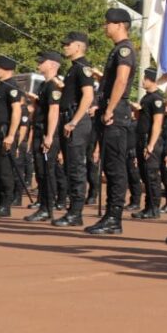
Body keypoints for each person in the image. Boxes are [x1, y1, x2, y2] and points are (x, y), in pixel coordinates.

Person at [85, 8, 137, 235]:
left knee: (115, 167)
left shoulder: (124, 49)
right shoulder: (117, 50)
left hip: (117, 114)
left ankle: (114, 218)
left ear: (120, 25)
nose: (105, 26)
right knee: (109, 165)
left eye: (108, 23)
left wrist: (111, 108)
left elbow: (122, 79)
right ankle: (110, 215)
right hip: (108, 110)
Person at [53, 31, 95, 228]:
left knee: (76, 168)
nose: (65, 47)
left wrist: (74, 122)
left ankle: (76, 213)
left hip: (75, 121)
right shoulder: (74, 69)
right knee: (70, 167)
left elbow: (88, 96)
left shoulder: (82, 68)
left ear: (78, 46)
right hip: (69, 119)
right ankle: (72, 209)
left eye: (68, 44)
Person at [27, 51, 64, 222]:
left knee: (47, 171)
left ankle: (47, 208)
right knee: (40, 172)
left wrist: (49, 135)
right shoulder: (44, 85)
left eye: (42, 62)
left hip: (47, 132)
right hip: (40, 130)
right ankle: (43, 206)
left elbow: (54, 111)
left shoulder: (54, 85)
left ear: (52, 64)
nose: (39, 64)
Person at [0, 56, 23, 218]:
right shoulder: (0, 87)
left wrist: (11, 135)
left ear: (6, 68)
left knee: (5, 170)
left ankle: (6, 205)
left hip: (5, 132)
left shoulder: (11, 86)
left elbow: (16, 111)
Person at [131, 67, 166, 220]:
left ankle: (154, 208)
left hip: (150, 138)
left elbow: (157, 122)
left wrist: (151, 144)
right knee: (144, 174)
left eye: (145, 78)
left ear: (153, 80)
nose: (143, 81)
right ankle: (148, 206)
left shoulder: (157, 99)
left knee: (151, 175)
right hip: (141, 137)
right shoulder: (146, 98)